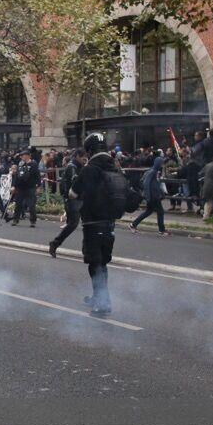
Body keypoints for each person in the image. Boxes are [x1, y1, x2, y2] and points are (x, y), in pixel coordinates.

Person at [71, 133, 127, 317]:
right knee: (102, 263)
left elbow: (73, 192)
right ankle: (98, 297)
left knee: (95, 264)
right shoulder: (115, 166)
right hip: (110, 223)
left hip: (93, 223)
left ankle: (103, 304)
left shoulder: (90, 168)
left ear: (89, 150)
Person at [48, 148, 87, 257]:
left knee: (87, 224)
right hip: (73, 199)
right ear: (78, 156)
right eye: (83, 157)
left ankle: (86, 250)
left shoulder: (80, 167)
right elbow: (76, 181)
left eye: (86, 157)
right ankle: (55, 243)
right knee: (73, 224)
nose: (85, 160)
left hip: (81, 199)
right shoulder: (72, 167)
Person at [130, 152, 169, 235]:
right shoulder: (153, 172)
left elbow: (155, 184)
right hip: (153, 196)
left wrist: (161, 193)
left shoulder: (153, 171)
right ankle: (161, 230)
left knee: (148, 211)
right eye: (161, 163)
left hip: (152, 196)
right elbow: (147, 184)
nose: (162, 165)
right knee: (160, 212)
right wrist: (149, 196)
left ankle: (133, 224)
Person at [9, 149, 39, 226]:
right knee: (18, 204)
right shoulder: (20, 164)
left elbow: (37, 176)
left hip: (30, 187)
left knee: (31, 205)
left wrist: (38, 186)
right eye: (21, 156)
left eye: (23, 156)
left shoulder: (33, 164)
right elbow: (16, 176)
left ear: (27, 156)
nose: (21, 157)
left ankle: (33, 221)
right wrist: (13, 186)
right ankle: (15, 219)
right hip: (20, 188)